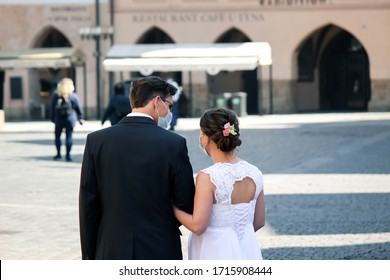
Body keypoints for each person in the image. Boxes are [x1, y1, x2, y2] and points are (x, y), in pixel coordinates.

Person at [79, 75, 195, 260]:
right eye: (170, 106)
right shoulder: (174, 143)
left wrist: (89, 256)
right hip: (160, 246)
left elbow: (88, 207)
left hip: (110, 247)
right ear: (157, 101)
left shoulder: (96, 141)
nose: (169, 112)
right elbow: (186, 202)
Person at [173, 108, 266, 260]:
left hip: (214, 252)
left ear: (207, 138)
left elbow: (198, 226)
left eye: (201, 132)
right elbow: (259, 221)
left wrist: (173, 208)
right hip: (248, 251)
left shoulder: (208, 177)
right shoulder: (255, 173)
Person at [51, 77, 84, 162]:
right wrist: (80, 117)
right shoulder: (73, 96)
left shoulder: (56, 95)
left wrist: (53, 119)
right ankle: (68, 155)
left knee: (57, 137)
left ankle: (58, 154)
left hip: (58, 119)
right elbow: (78, 107)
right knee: (68, 137)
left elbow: (52, 108)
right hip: (70, 119)